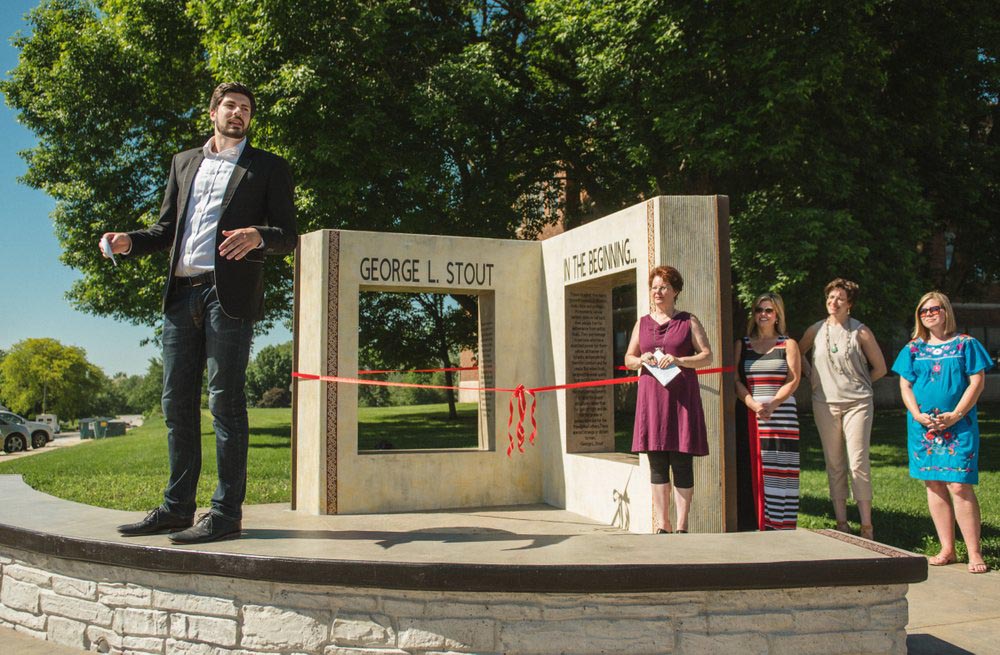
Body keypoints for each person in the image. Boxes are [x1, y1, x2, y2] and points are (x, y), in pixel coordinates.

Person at [100, 82, 297, 544]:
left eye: (246, 109)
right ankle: (175, 509)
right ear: (213, 112)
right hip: (180, 296)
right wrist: (130, 241)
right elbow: (166, 228)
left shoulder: (267, 167)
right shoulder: (184, 162)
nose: (239, 113)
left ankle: (226, 514)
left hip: (226, 298)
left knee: (225, 403)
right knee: (175, 404)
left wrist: (259, 236)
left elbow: (288, 234)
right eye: (231, 105)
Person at [891, 292, 992, 573]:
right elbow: (905, 386)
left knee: (959, 484)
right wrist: (916, 414)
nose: (929, 314)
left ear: (946, 311)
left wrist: (956, 414)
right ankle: (947, 549)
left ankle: (974, 552)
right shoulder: (912, 349)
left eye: (935, 309)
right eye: (924, 311)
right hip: (923, 427)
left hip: (959, 425)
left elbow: (977, 383)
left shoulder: (966, 344)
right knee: (933, 483)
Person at [625, 265, 712, 534]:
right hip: (652, 401)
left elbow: (708, 356)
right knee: (658, 464)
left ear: (675, 291)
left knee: (682, 462)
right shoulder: (642, 323)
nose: (658, 292)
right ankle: (663, 524)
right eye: (654, 288)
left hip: (682, 401)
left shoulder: (688, 321)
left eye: (663, 287)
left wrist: (679, 360)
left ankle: (682, 526)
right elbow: (628, 359)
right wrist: (641, 359)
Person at [799, 278, 886, 540]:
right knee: (834, 462)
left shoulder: (860, 331)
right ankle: (841, 522)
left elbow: (880, 367)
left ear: (850, 304)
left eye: (839, 298)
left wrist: (859, 384)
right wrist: (811, 375)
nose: (833, 302)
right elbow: (796, 352)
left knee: (858, 462)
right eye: (830, 297)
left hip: (857, 403)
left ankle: (867, 526)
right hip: (824, 403)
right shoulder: (815, 330)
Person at [734, 293, 801, 530]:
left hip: (781, 415)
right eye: (759, 310)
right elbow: (735, 380)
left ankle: (782, 525)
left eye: (769, 310)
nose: (763, 314)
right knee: (758, 469)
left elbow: (793, 380)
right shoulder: (743, 344)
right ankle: (760, 523)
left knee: (781, 471)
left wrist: (773, 404)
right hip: (753, 415)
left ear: (777, 315)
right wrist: (752, 403)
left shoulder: (788, 344)